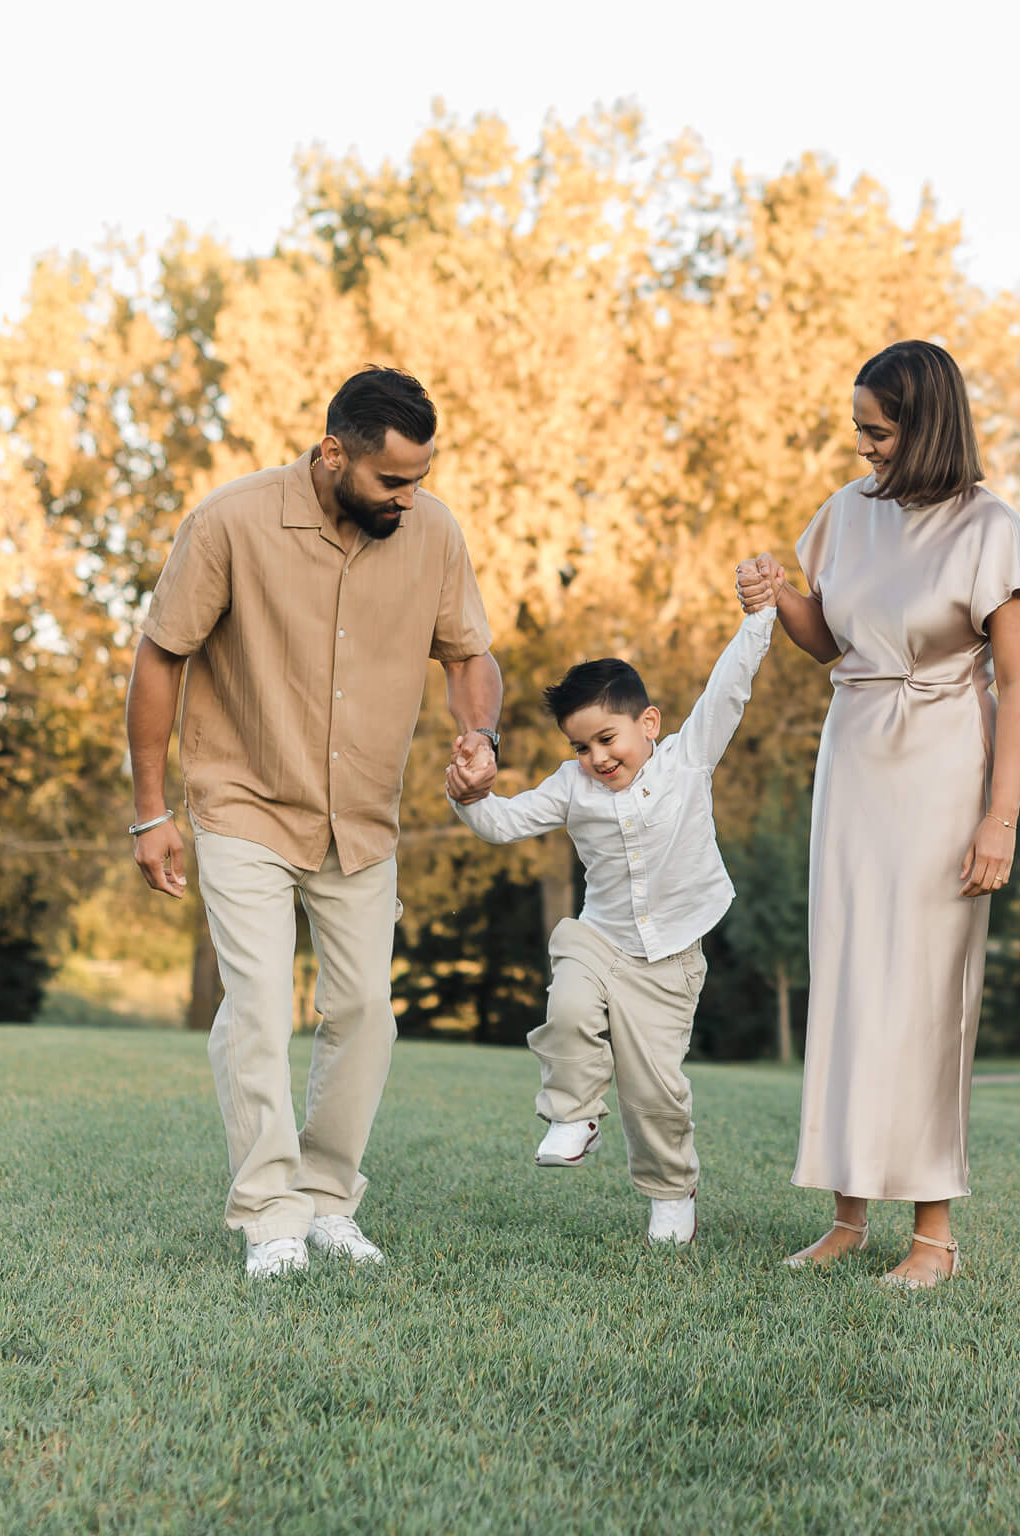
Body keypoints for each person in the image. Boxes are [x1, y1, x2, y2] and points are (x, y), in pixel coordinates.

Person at [125, 367, 504, 1280]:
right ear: (333, 453)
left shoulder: (434, 531)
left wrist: (479, 733)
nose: (409, 499)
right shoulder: (231, 522)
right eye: (391, 481)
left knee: (367, 1011)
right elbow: (160, 656)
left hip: (362, 818)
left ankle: (330, 1200)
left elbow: (470, 655)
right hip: (244, 798)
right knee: (255, 1008)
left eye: (419, 478)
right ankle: (270, 1215)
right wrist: (150, 813)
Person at [735, 339, 1020, 1289]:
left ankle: (934, 1237)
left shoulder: (995, 529)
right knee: (851, 978)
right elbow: (829, 640)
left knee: (926, 992)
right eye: (860, 430)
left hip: (947, 764)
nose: (864, 446)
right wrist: (777, 595)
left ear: (925, 425)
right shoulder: (844, 513)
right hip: (854, 755)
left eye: (878, 430)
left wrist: (1002, 819)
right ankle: (846, 1217)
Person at [442, 594, 779, 1245]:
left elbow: (730, 687)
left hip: (673, 959)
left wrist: (760, 616)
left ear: (648, 722)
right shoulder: (572, 786)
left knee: (655, 1091)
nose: (596, 756)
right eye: (581, 745)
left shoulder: (688, 760)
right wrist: (469, 799)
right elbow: (504, 824)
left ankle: (672, 1192)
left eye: (607, 738)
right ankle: (573, 1115)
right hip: (600, 940)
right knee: (567, 1005)